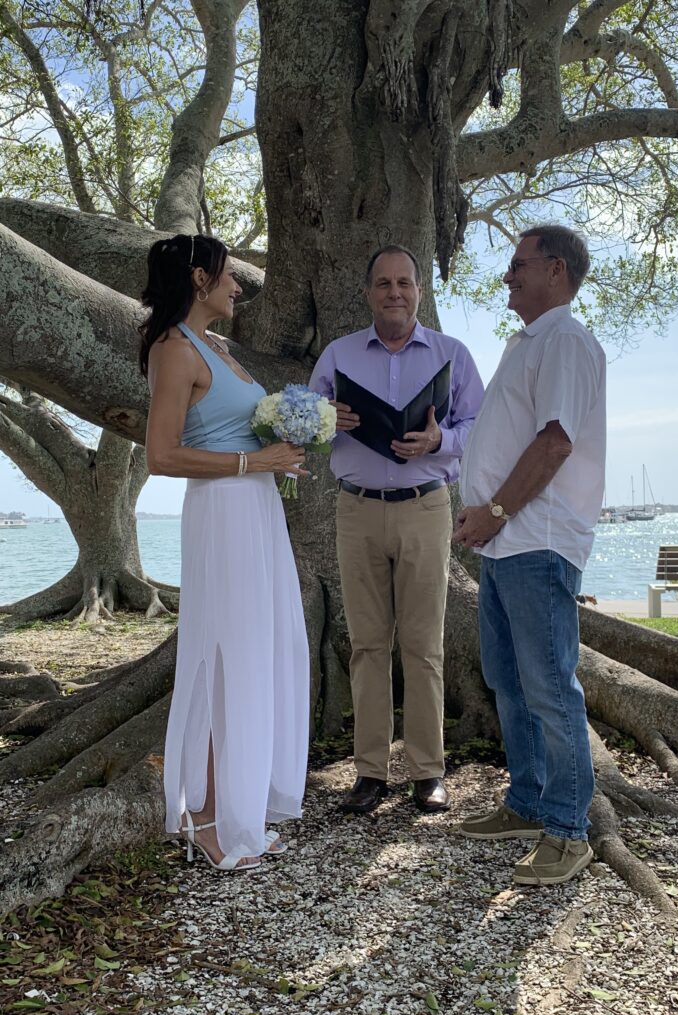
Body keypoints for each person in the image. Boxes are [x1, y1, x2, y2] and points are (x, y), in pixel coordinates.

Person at [140, 233, 310, 871]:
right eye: (228, 275)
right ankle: (207, 818)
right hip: (224, 514)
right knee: (225, 657)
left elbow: (239, 428)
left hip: (258, 509)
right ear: (196, 278)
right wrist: (252, 459)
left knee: (262, 650)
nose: (238, 286)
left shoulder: (219, 348)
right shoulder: (173, 349)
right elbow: (161, 456)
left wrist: (285, 449)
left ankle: (231, 802)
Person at [454, 224, 606, 886]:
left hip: (535, 538)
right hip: (507, 542)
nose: (508, 275)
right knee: (508, 680)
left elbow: (554, 443)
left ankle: (570, 832)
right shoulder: (528, 342)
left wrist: (495, 510)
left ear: (557, 268)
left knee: (548, 685)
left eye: (519, 264)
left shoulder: (565, 339)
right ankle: (526, 801)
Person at [309, 244, 484, 814]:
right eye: (383, 283)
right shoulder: (337, 357)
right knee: (366, 645)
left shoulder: (452, 355)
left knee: (423, 645)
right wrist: (326, 418)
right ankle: (369, 772)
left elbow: (480, 426)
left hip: (425, 506)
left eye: (404, 283)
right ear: (368, 292)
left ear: (419, 290)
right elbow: (304, 427)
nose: (394, 293)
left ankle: (427, 772)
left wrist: (440, 440)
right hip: (356, 509)